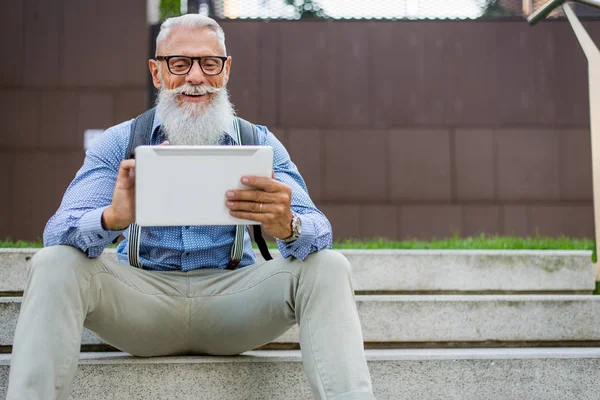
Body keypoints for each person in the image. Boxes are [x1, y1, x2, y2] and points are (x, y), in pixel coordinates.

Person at [6, 14, 374, 400]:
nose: (195, 77)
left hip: (233, 304)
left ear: (226, 70)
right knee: (53, 263)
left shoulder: (257, 141)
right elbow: (57, 231)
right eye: (179, 64)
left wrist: (289, 226)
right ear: (156, 72)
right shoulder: (120, 142)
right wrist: (111, 218)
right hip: (141, 303)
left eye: (209, 63)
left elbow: (319, 229)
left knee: (330, 266)